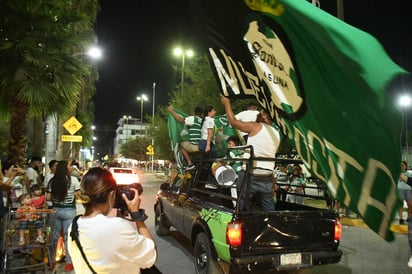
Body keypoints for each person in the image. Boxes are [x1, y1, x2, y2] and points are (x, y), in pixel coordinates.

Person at [68, 167, 157, 273]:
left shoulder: (74, 226)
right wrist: (137, 216)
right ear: (111, 195)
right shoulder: (117, 228)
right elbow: (151, 255)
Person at [221, 96, 280, 211]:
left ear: (263, 115)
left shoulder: (255, 126)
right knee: (269, 208)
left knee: (242, 206)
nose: (257, 114)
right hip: (267, 176)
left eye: (260, 112)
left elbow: (233, 122)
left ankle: (241, 217)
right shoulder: (276, 134)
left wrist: (226, 103)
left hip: (252, 175)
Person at [46, 160, 80, 272]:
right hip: (69, 211)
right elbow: (77, 194)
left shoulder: (52, 181)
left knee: (54, 237)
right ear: (65, 169)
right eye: (69, 166)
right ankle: (69, 263)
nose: (71, 167)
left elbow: (48, 198)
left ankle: (51, 261)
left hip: (55, 211)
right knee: (67, 237)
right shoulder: (73, 180)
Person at [167, 105, 203, 169]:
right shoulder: (203, 121)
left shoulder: (193, 119)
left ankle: (189, 163)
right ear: (202, 114)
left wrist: (172, 111)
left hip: (195, 146)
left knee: (181, 144)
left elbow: (180, 120)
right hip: (202, 146)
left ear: (194, 113)